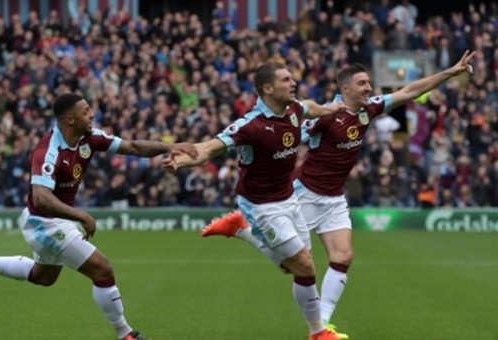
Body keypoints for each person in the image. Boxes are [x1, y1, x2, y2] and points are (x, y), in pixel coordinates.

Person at [202, 51, 476, 335]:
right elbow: (287, 137)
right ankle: (242, 229)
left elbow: (409, 91)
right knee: (293, 266)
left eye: (369, 83)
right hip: (304, 194)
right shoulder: (325, 117)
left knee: (343, 256)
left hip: (334, 198)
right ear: (344, 89)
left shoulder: (370, 108)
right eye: (362, 84)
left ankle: (322, 326)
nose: (369, 88)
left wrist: (450, 73)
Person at [0, 93, 199, 340]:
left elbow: (131, 146)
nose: (92, 115)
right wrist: (79, 215)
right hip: (43, 222)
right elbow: (41, 197)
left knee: (43, 277)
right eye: (86, 112)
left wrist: (169, 146)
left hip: (53, 221)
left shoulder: (89, 138)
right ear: (69, 119)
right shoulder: (48, 152)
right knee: (102, 269)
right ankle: (126, 334)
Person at [162, 62, 346, 340]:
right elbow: (211, 147)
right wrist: (181, 161)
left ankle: (240, 229)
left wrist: (332, 109)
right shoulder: (251, 125)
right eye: (286, 79)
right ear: (267, 88)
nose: (293, 83)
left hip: (289, 197)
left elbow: (311, 106)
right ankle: (318, 332)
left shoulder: (294, 109)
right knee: (305, 266)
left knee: (291, 267)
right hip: (260, 204)